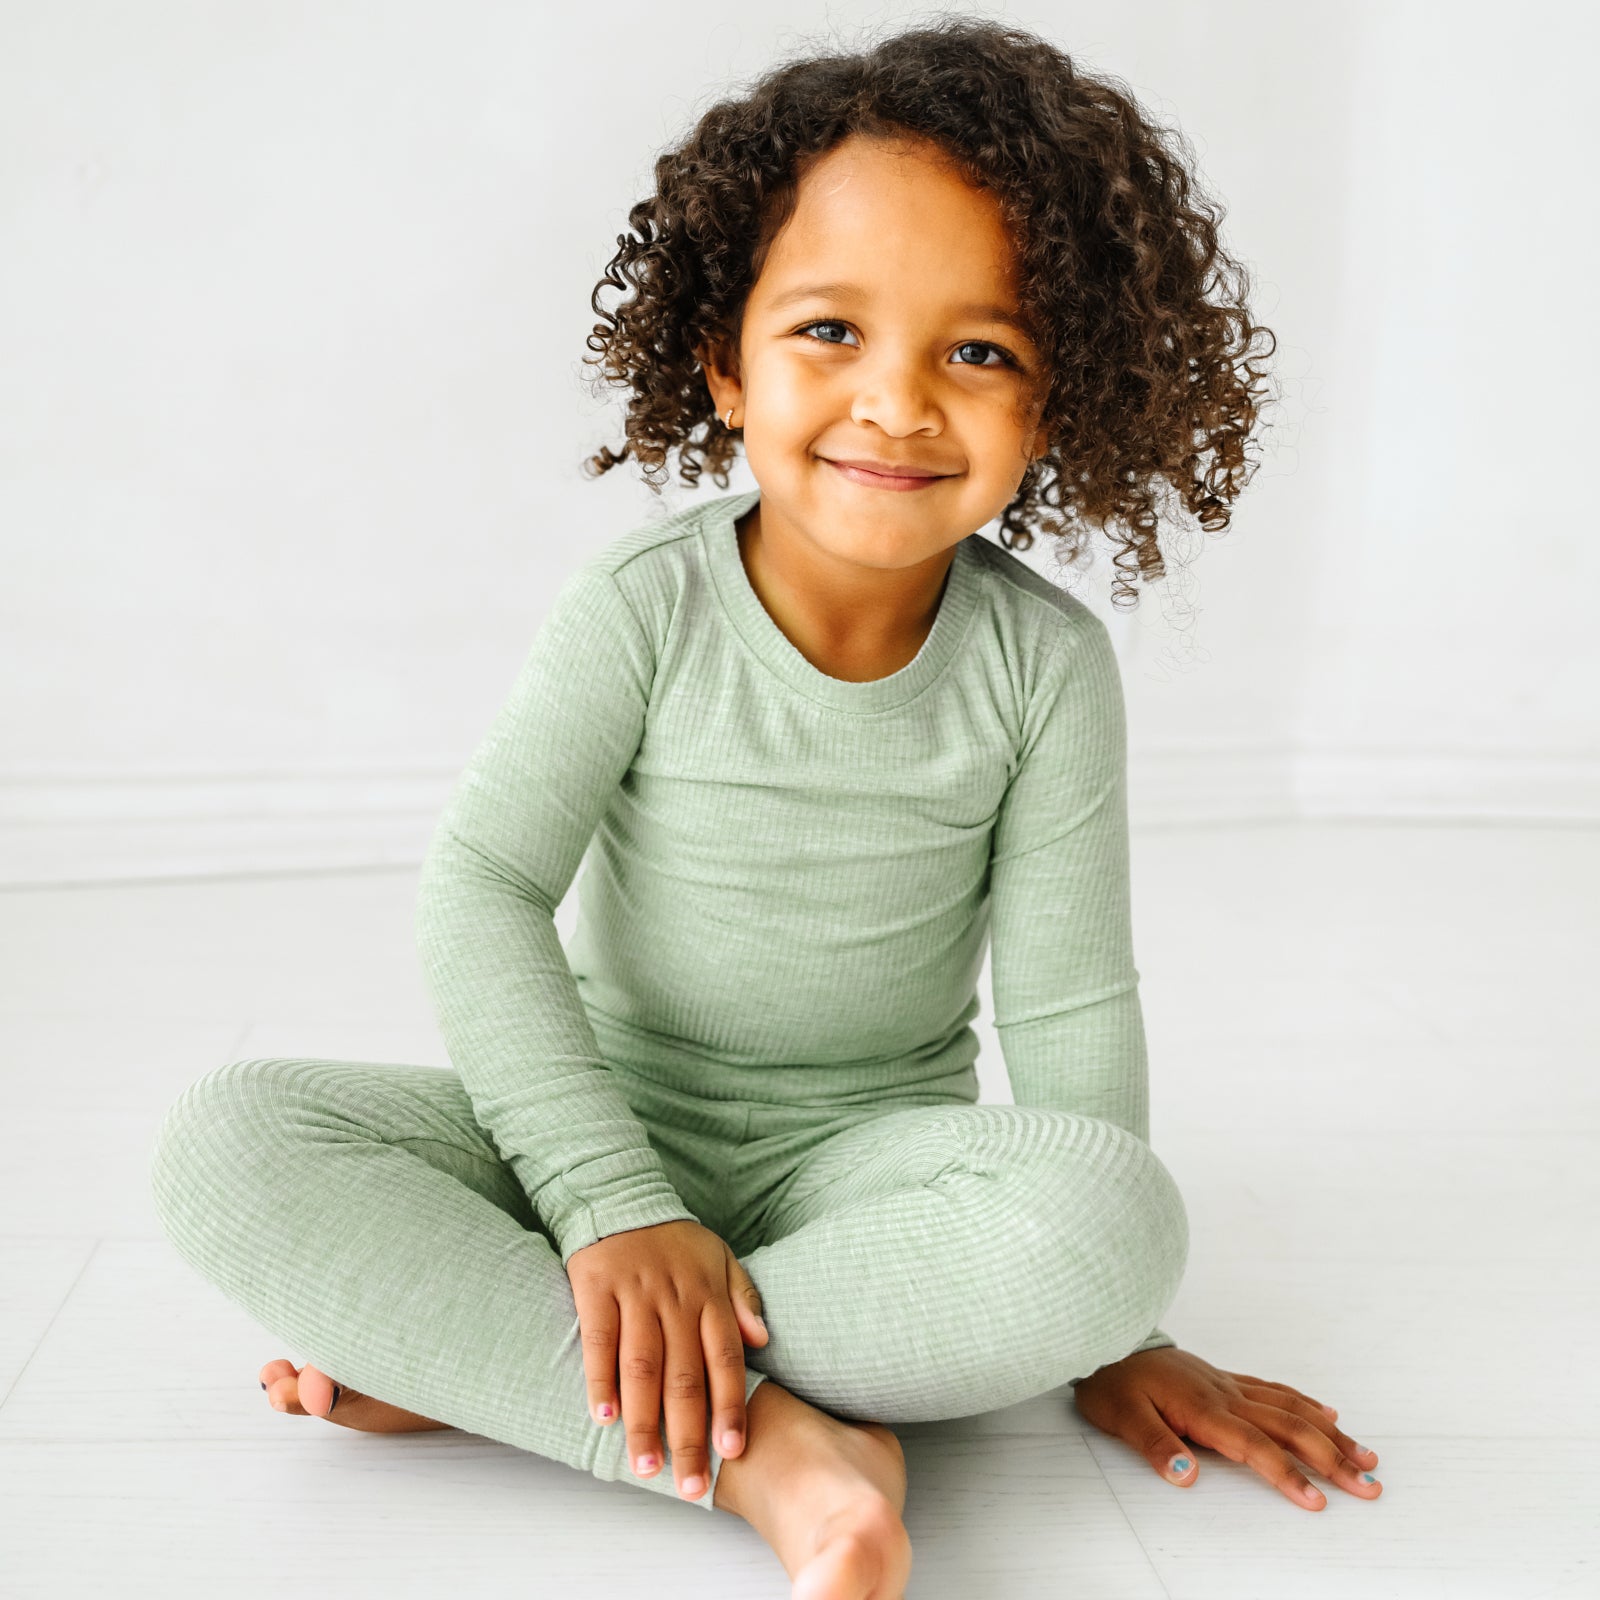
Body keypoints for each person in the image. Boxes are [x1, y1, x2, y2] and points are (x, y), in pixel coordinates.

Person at [149, 16, 1380, 1598]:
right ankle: (781, 1451)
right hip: (586, 1130)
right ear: (725, 362)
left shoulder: (1047, 669)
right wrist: (607, 1206)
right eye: (828, 333)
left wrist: (1114, 1333)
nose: (898, 403)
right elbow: (482, 890)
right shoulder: (642, 610)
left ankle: (530, 1368)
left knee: (1110, 1216)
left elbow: (1072, 1004)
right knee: (229, 1141)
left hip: (865, 1171)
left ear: (1061, 398)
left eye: (980, 350)